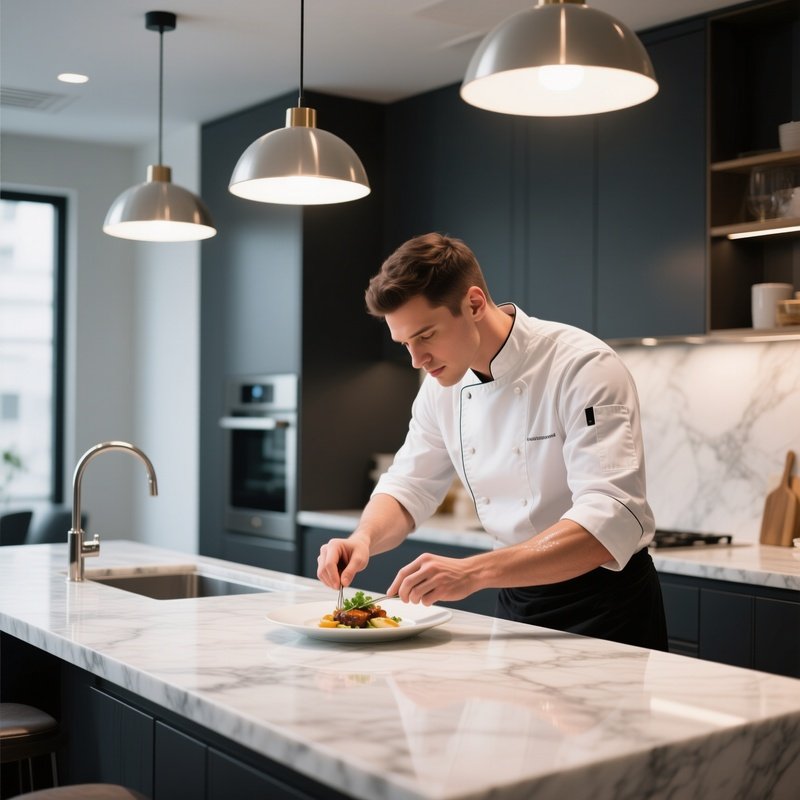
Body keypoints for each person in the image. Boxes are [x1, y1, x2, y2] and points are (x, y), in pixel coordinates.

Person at [317, 233, 667, 650]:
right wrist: (363, 538)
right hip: (516, 599)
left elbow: (611, 517)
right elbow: (409, 486)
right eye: (405, 343)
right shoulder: (440, 387)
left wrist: (474, 572)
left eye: (426, 335)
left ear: (474, 304)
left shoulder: (582, 366)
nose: (416, 359)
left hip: (606, 608)